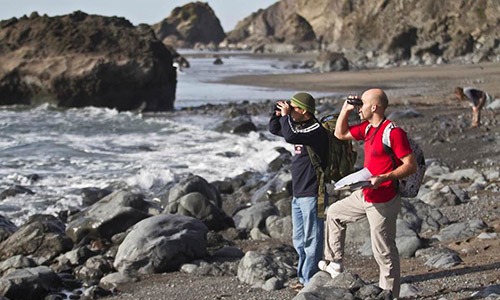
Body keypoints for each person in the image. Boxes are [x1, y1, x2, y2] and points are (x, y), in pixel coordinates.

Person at [318, 89, 417, 299]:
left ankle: (390, 295)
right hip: (365, 193)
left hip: (383, 200)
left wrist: (384, 177)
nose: (358, 109)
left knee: (384, 252)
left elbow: (411, 165)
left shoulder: (393, 132)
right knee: (334, 213)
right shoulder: (368, 129)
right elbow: (340, 134)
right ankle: (334, 262)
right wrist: (345, 108)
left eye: (361, 104)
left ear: (374, 107)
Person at [269, 92, 328, 288]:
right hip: (299, 193)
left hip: (312, 192)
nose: (291, 110)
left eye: (294, 108)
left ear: (304, 111)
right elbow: (275, 129)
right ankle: (304, 278)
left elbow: (290, 135)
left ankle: (311, 279)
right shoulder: (300, 126)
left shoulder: (315, 129)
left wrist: (286, 117)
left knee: (313, 239)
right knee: (299, 240)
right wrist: (277, 113)